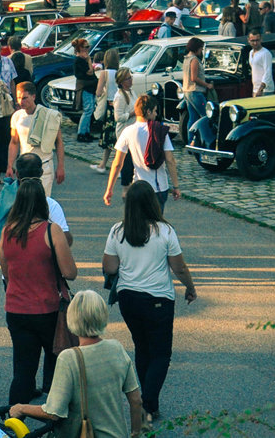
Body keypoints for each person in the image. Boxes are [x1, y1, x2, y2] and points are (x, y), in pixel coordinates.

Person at [102, 181, 197, 424]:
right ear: (152, 203)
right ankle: (148, 404)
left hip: (128, 299)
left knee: (142, 347)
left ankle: (146, 402)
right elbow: (179, 267)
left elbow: (109, 267)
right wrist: (190, 287)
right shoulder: (164, 231)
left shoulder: (117, 231)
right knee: (161, 353)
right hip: (158, 300)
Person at [8, 290, 143, 438]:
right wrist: (136, 434)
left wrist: (21, 408)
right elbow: (136, 400)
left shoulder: (69, 358)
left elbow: (53, 412)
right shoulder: (116, 348)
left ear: (71, 319)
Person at [0, 177, 78, 405]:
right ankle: (55, 417)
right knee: (56, 363)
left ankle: (14, 421)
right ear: (42, 202)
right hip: (47, 309)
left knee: (23, 370)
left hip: (16, 309)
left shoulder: (8, 231)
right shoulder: (51, 230)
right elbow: (69, 272)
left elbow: (6, 271)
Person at [103, 94, 179, 208]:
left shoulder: (127, 131)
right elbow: (170, 160)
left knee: (139, 224)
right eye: (154, 111)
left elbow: (117, 163)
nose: (156, 114)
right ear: (148, 111)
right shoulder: (159, 130)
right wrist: (176, 186)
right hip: (158, 187)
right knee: (155, 223)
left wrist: (109, 189)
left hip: (138, 187)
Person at [8, 81, 66, 195]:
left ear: (33, 96)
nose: (21, 101)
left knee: (43, 203)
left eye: (25, 98)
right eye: (19, 98)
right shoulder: (17, 116)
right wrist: (10, 165)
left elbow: (59, 142)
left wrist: (60, 166)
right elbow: (14, 142)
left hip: (44, 166)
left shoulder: (49, 116)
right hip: (24, 167)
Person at [72, 38, 100, 143]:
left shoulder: (82, 59)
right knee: (88, 110)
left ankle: (86, 132)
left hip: (90, 87)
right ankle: (81, 133)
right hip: (85, 87)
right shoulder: (79, 60)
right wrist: (89, 61)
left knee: (90, 109)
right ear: (80, 48)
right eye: (86, 47)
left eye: (88, 46)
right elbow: (89, 72)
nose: (88, 49)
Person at [246, 29, 274, 96]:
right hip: (255, 89)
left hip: (266, 90)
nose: (255, 43)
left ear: (261, 39)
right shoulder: (251, 53)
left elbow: (268, 72)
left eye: (257, 40)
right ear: (248, 40)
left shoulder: (265, 53)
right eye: (253, 41)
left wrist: (260, 90)